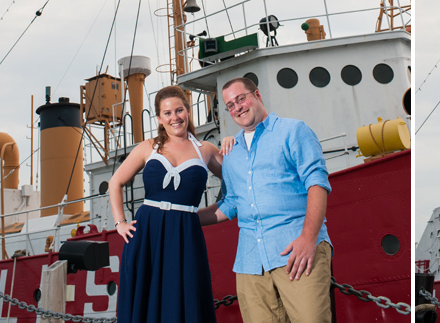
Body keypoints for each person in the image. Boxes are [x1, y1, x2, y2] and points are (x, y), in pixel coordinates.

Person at [199, 77, 332, 322]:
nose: (237, 107)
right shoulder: (232, 152)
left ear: (257, 96)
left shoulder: (293, 131)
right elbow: (231, 203)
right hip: (250, 264)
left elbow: (317, 183)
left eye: (241, 98)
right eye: (230, 105)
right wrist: (187, 219)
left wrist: (308, 238)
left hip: (296, 251)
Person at [109, 85, 224, 323]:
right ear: (160, 119)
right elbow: (115, 182)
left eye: (179, 110)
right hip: (146, 235)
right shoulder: (147, 147)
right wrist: (120, 222)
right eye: (168, 113)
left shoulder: (207, 150)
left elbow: (237, 187)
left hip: (185, 236)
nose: (175, 117)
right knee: (145, 301)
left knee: (183, 297)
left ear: (187, 111)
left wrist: (199, 216)